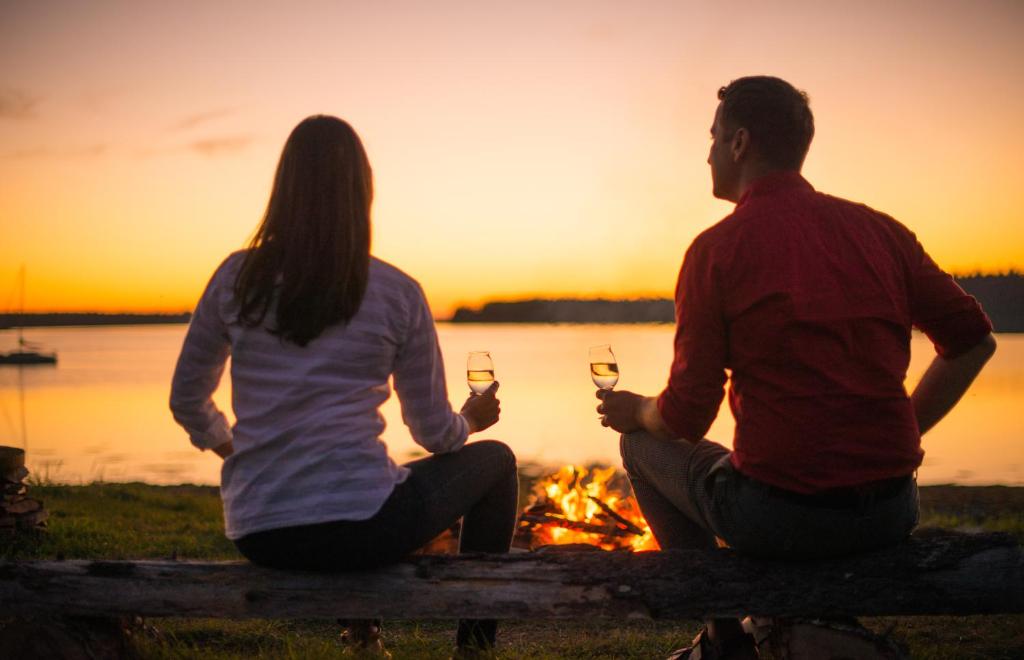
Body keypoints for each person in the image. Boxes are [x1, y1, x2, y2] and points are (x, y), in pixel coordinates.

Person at [597, 76, 996, 659]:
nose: (705, 152)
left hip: (782, 520)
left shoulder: (716, 251)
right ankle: (807, 626)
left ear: (739, 143)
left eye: (711, 137)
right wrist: (906, 430)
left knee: (641, 446)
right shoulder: (881, 232)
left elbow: (685, 415)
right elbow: (973, 342)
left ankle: (723, 637)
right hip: (889, 510)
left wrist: (637, 409)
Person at [170, 115, 518, 658]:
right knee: (494, 461)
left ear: (284, 189)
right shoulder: (397, 292)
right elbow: (435, 434)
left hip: (259, 531)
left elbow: (187, 400)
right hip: (364, 529)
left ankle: (363, 637)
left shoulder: (237, 278)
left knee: (362, 475)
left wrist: (239, 451)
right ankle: (474, 646)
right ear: (363, 191)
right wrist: (472, 419)